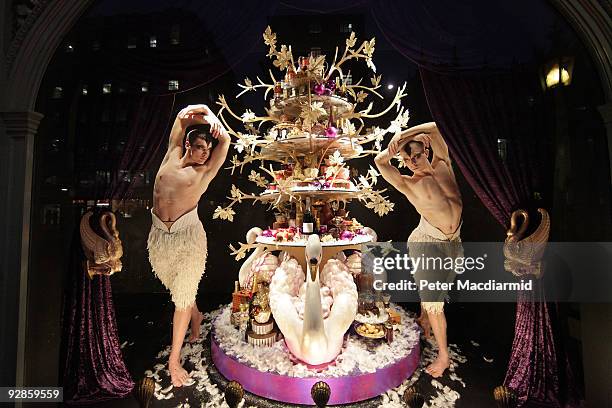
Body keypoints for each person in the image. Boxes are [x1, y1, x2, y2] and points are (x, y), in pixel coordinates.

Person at [147, 104, 230, 387]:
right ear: (186, 145)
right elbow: (182, 116)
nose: (204, 153)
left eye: (207, 148)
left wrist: (218, 123)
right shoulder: (171, 155)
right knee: (179, 290)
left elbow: (226, 142)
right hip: (159, 237)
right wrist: (206, 111)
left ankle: (174, 360)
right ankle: (197, 316)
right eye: (199, 147)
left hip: (189, 239)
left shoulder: (204, 172)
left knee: (182, 297)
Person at [374, 122, 463, 378]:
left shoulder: (442, 164)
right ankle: (443, 356)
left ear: (425, 149)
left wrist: (405, 134)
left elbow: (436, 127)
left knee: (437, 293)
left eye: (416, 155)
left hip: (452, 241)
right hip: (426, 243)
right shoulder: (409, 184)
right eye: (407, 159)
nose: (413, 162)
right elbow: (381, 163)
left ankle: (424, 319)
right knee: (435, 303)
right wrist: (395, 147)